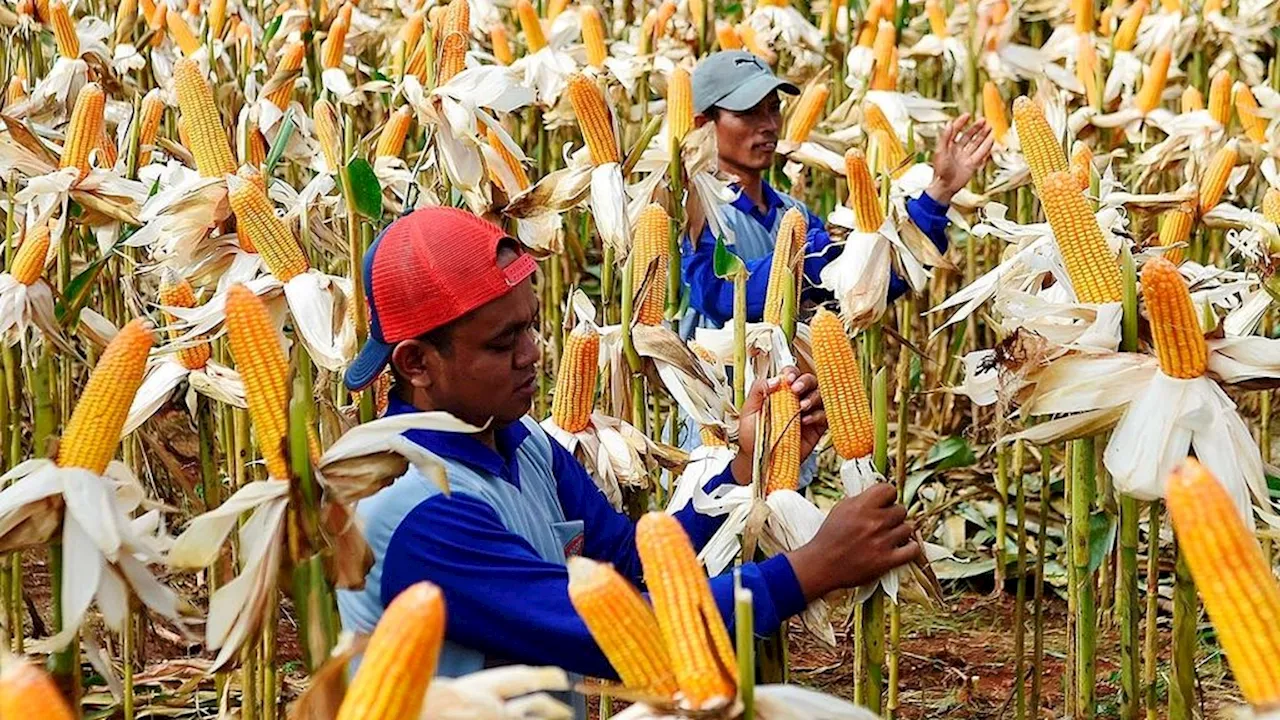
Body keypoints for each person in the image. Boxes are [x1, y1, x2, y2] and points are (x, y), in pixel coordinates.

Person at [336, 207, 922, 718]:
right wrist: (814, 567)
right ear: (415, 364)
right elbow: (619, 634)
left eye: (533, 325)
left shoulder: (522, 441)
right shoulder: (411, 505)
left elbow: (628, 566)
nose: (533, 353)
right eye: (502, 342)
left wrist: (746, 464)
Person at [680, 50, 996, 333]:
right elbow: (720, 296)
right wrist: (833, 239)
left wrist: (938, 193)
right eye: (748, 113)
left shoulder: (793, 213)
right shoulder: (691, 215)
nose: (770, 125)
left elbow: (863, 283)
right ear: (703, 123)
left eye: (773, 109)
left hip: (796, 393)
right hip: (722, 395)